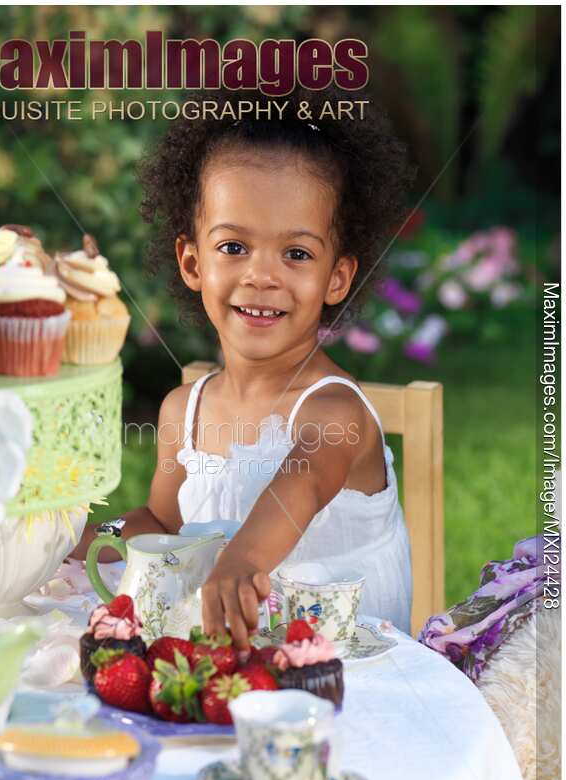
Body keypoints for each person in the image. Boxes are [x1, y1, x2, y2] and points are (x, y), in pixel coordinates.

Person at [72, 87, 414, 650]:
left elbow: (302, 483)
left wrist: (244, 559)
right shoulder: (184, 410)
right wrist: (78, 539)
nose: (261, 276)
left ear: (337, 278)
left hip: (353, 675)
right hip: (230, 665)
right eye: (233, 247)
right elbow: (162, 525)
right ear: (192, 262)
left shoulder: (336, 412)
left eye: (297, 254)